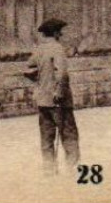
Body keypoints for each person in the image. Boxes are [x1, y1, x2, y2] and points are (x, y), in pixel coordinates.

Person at [24, 18, 80, 176]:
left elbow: (28, 68)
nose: (61, 35)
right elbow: (61, 73)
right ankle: (73, 169)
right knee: (69, 134)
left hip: (42, 100)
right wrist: (59, 92)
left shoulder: (39, 49)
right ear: (56, 33)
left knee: (47, 137)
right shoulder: (57, 49)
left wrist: (40, 82)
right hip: (58, 101)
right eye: (60, 32)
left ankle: (49, 169)